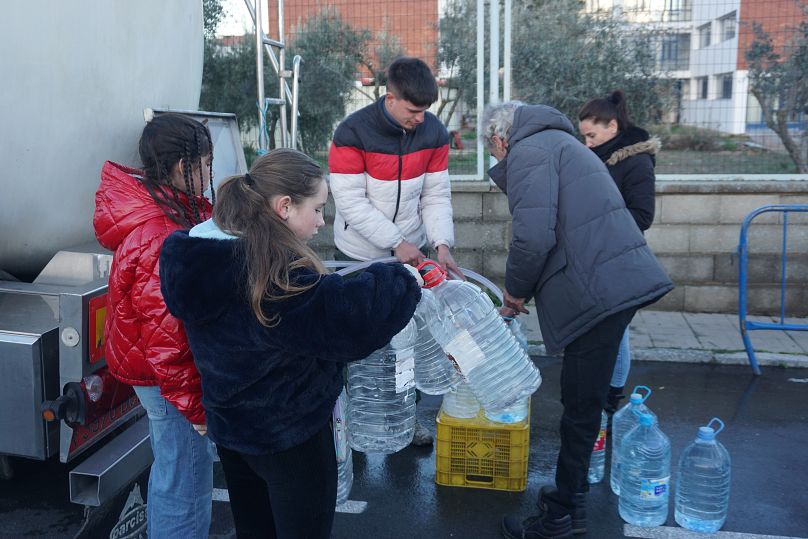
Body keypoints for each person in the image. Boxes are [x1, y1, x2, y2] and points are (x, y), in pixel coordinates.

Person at [159, 148, 422, 539]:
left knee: (254, 529)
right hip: (290, 438)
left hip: (233, 433)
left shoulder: (201, 255)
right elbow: (346, 321)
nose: (321, 222)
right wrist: (405, 281)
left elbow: (321, 301)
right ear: (284, 206)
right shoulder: (273, 276)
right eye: (316, 209)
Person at [481, 101, 673, 539]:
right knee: (581, 402)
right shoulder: (561, 144)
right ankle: (571, 507)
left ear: (498, 139)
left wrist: (514, 292)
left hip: (600, 289)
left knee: (581, 407)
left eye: (494, 155)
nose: (497, 161)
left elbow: (533, 236)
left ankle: (561, 518)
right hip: (610, 282)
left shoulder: (529, 151)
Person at [328, 56, 462, 446]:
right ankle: (351, 420)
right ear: (390, 98)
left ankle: (406, 416)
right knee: (359, 337)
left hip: (412, 252)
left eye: (425, 111)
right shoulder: (352, 132)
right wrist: (394, 241)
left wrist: (440, 243)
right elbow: (350, 201)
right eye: (413, 110)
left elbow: (436, 194)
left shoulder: (433, 132)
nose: (421, 118)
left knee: (409, 334)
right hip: (359, 254)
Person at [93, 113, 215, 539]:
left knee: (176, 469)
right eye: (206, 165)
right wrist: (194, 405)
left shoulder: (163, 208)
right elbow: (169, 340)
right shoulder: (161, 232)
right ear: (184, 168)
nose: (208, 175)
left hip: (158, 374)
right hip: (169, 379)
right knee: (185, 481)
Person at [578, 90, 661, 415]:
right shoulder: (599, 156)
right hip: (594, 257)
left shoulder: (636, 161)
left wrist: (594, 223)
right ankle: (599, 391)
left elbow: (643, 215)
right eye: (583, 136)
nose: (587, 142)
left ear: (612, 126)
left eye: (592, 135)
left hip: (619, 258)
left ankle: (612, 397)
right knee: (599, 329)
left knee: (617, 330)